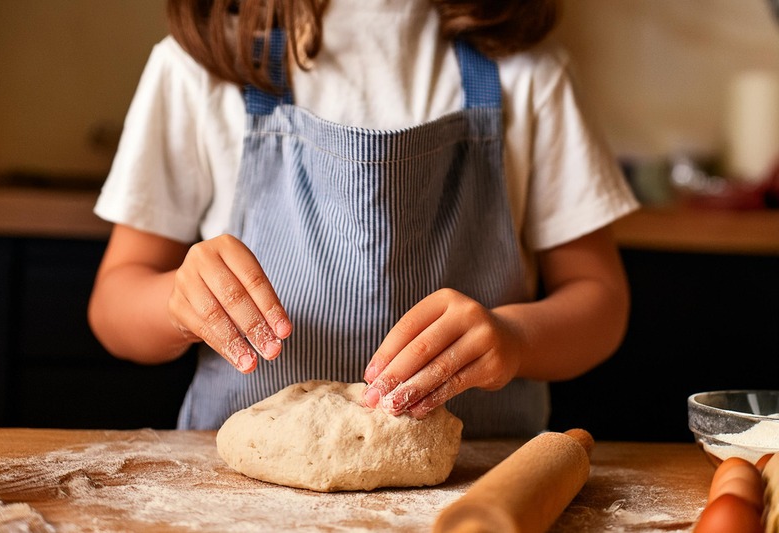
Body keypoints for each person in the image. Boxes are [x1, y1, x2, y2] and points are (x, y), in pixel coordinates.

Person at [87, 0, 640, 438]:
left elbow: (600, 298)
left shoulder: (529, 70)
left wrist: (515, 339)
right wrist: (179, 305)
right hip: (236, 491)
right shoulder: (205, 64)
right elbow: (114, 302)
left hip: (481, 485)